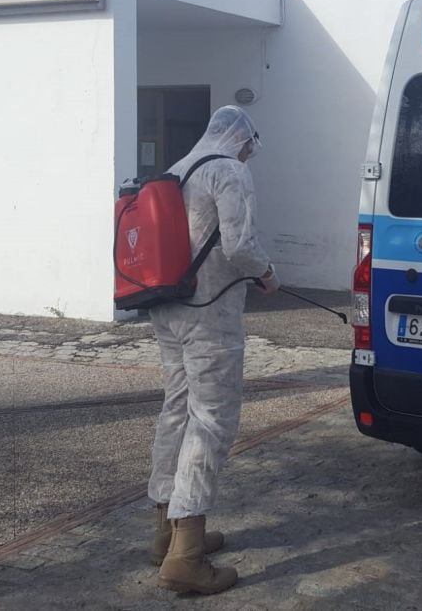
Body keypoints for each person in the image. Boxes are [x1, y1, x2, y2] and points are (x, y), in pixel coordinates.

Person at [146, 105, 279, 596]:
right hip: (210, 315)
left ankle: (166, 532)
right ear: (242, 140)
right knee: (211, 419)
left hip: (168, 307)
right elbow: (240, 245)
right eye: (251, 147)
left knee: (177, 410)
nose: (250, 155)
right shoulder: (230, 169)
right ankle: (187, 555)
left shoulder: (178, 169)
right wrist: (268, 275)